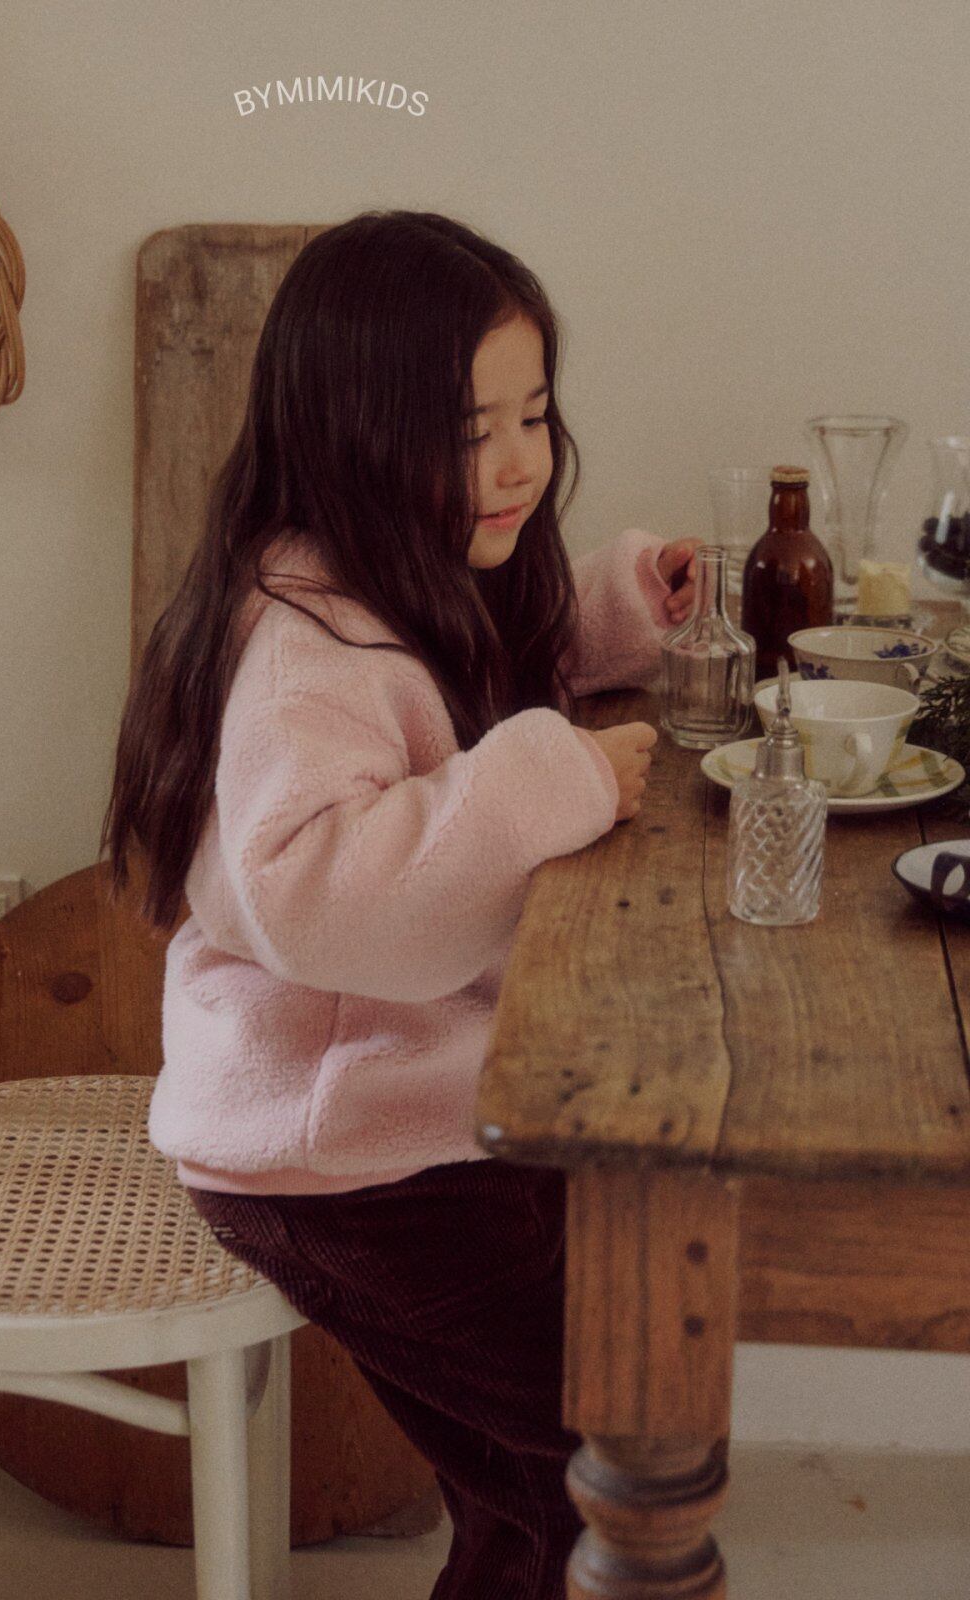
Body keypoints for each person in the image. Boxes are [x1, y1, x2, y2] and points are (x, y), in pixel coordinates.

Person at [101, 209, 701, 1598]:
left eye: (533, 416)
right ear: (353, 432)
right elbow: (322, 896)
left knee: (537, 1488)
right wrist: (557, 777)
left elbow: (482, 673)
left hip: (401, 1112)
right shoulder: (300, 643)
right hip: (338, 1153)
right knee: (614, 1458)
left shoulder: (397, 569)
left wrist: (622, 610)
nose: (517, 463)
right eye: (468, 431)